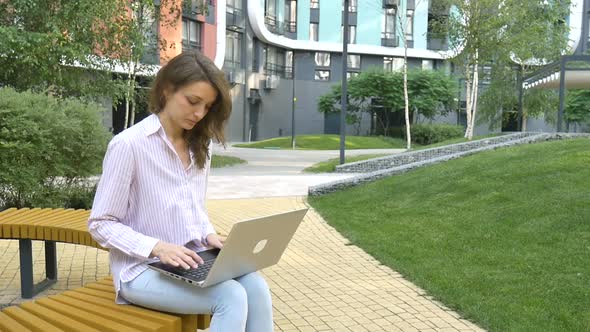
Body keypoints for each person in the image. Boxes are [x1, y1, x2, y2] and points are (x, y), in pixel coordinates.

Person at [88, 51, 273, 332]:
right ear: (166, 90)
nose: (199, 114)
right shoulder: (129, 145)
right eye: (192, 101)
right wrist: (157, 247)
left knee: (255, 285)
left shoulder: (201, 145)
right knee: (231, 296)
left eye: (207, 106)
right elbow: (101, 224)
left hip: (192, 261)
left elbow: (194, 207)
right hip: (141, 270)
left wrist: (208, 233)